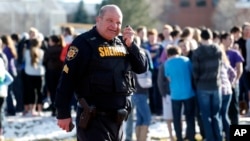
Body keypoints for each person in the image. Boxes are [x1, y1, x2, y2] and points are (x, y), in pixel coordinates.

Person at [55, 4, 148, 141]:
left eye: (118, 23)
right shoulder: (83, 43)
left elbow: (141, 68)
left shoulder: (123, 43)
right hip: (93, 120)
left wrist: (132, 46)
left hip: (118, 120)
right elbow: (67, 79)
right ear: (98, 19)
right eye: (110, 20)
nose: (114, 26)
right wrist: (63, 113)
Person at [192, 28, 223, 141]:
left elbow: (195, 72)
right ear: (211, 36)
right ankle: (218, 137)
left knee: (206, 115)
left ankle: (210, 138)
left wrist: (196, 83)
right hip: (216, 84)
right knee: (216, 115)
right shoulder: (218, 49)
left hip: (202, 86)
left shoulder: (197, 52)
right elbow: (220, 66)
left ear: (201, 37)